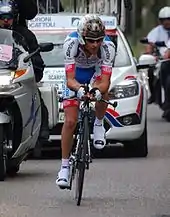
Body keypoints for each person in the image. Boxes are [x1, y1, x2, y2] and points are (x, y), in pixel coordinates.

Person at [56, 14, 116, 188]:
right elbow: (69, 79)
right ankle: (64, 168)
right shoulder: (71, 44)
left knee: (103, 92)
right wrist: (80, 90)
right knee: (70, 121)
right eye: (91, 41)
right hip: (76, 75)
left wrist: (96, 91)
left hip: (96, 73)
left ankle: (98, 124)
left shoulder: (108, 47)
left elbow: (105, 81)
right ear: (82, 38)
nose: (95, 45)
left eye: (99, 40)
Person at [0, 0, 49, 141]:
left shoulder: (24, 35)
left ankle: (40, 129)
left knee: (34, 95)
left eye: (8, 17)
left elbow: (36, 60)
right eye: (2, 18)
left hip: (14, 76)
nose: (5, 21)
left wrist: (33, 72)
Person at [145, 6, 170, 117]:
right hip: (163, 59)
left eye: (169, 19)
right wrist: (149, 53)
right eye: (164, 20)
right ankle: (154, 96)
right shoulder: (156, 31)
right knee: (151, 70)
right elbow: (150, 44)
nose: (167, 22)